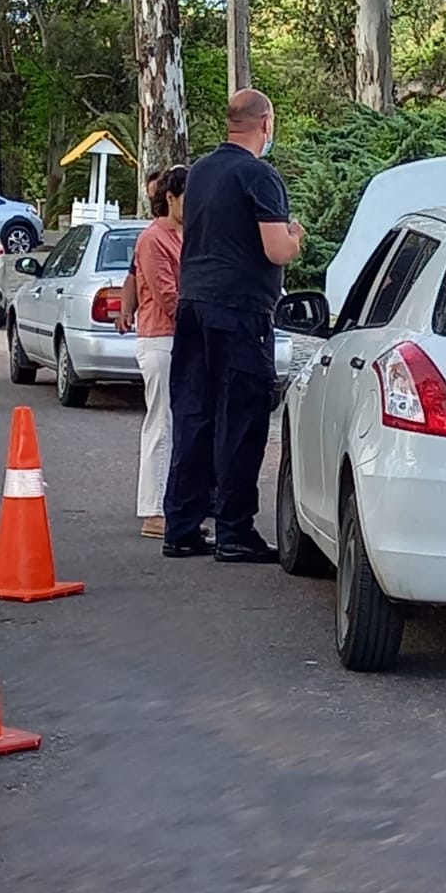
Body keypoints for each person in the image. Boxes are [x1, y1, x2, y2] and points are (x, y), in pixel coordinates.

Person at [162, 88, 304, 563]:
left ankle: (181, 526)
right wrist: (295, 236)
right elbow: (275, 250)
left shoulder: (200, 172)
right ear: (266, 123)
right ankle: (234, 531)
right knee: (241, 419)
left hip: (194, 302)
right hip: (241, 310)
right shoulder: (260, 176)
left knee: (194, 414)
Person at [132, 165, 187, 537]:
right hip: (160, 339)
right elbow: (168, 295)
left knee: (177, 424)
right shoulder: (154, 239)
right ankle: (154, 509)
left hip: (180, 340)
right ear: (170, 198)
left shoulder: (186, 235)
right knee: (161, 423)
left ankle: (174, 503)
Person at [116, 170, 161, 335]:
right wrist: (126, 312)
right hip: (155, 330)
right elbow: (133, 275)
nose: (155, 204)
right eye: (151, 199)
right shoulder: (150, 237)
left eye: (159, 198)